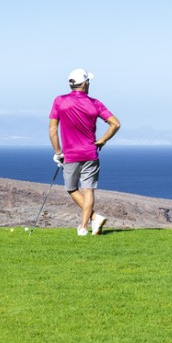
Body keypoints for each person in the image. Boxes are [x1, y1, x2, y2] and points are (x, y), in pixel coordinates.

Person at [49, 68, 121, 236]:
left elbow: (53, 130)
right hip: (90, 153)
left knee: (72, 188)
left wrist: (58, 152)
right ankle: (86, 225)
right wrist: (102, 140)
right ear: (85, 83)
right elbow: (115, 124)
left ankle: (92, 221)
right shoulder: (95, 103)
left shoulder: (59, 101)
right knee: (88, 190)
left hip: (70, 155)